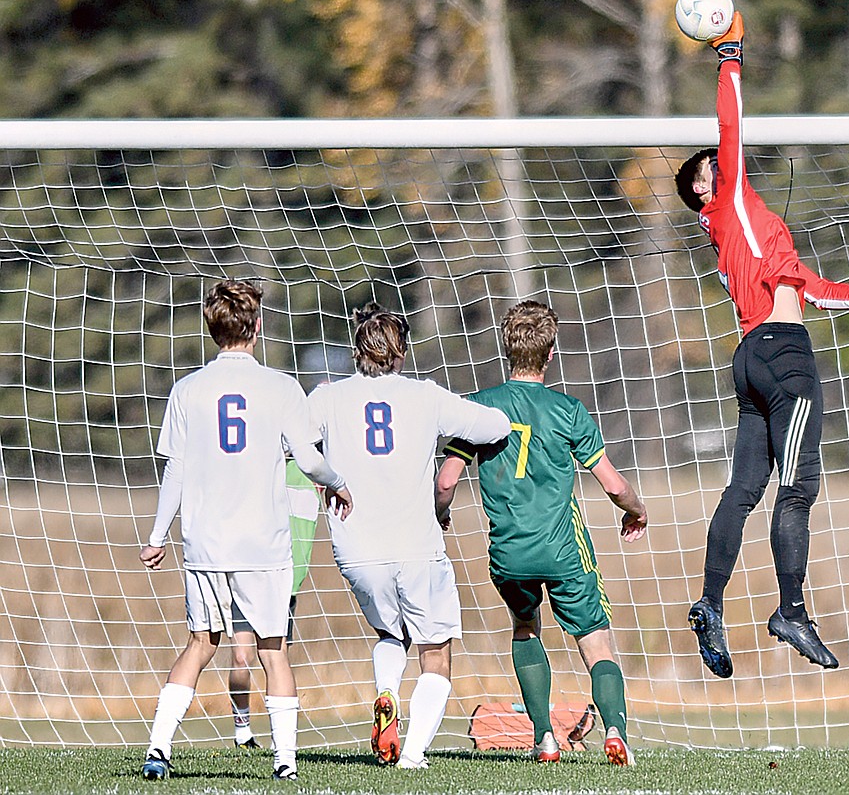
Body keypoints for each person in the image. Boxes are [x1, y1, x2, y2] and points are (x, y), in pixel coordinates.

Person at [674, 13, 849, 677]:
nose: (724, 167)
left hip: (752, 357)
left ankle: (710, 603)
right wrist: (730, 57)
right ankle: (790, 609)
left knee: (744, 487)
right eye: (714, 170)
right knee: (798, 488)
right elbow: (730, 128)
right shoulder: (727, 205)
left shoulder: (744, 237)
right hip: (785, 357)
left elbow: (816, 288)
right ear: (705, 189)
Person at [139, 279, 353, 782]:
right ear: (257, 328)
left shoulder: (187, 389)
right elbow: (308, 460)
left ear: (213, 330)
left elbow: (176, 469)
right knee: (272, 649)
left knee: (200, 644)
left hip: (207, 543)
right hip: (264, 544)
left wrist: (155, 535)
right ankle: (285, 762)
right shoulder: (280, 388)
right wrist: (339, 483)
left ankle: (158, 750)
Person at [435, 300, 648, 766]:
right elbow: (613, 485)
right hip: (564, 549)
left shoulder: (480, 407)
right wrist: (636, 511)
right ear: (550, 353)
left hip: (509, 552)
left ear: (505, 349)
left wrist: (440, 514)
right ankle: (615, 731)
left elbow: (446, 480)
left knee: (526, 628)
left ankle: (545, 738)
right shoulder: (569, 410)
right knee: (596, 641)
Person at [307, 303, 511, 770]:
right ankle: (413, 754)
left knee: (388, 632)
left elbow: (288, 440)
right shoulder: (425, 396)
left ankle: (385, 694)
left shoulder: (327, 398)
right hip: (417, 545)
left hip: (356, 548)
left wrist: (322, 472)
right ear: (400, 352)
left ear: (357, 349)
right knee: (435, 651)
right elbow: (494, 426)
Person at [227, 459, 322, 750]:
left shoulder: (313, 469)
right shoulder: (253, 462)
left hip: (284, 583)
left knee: (276, 659)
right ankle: (242, 731)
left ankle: (279, 739)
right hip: (245, 573)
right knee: (242, 657)